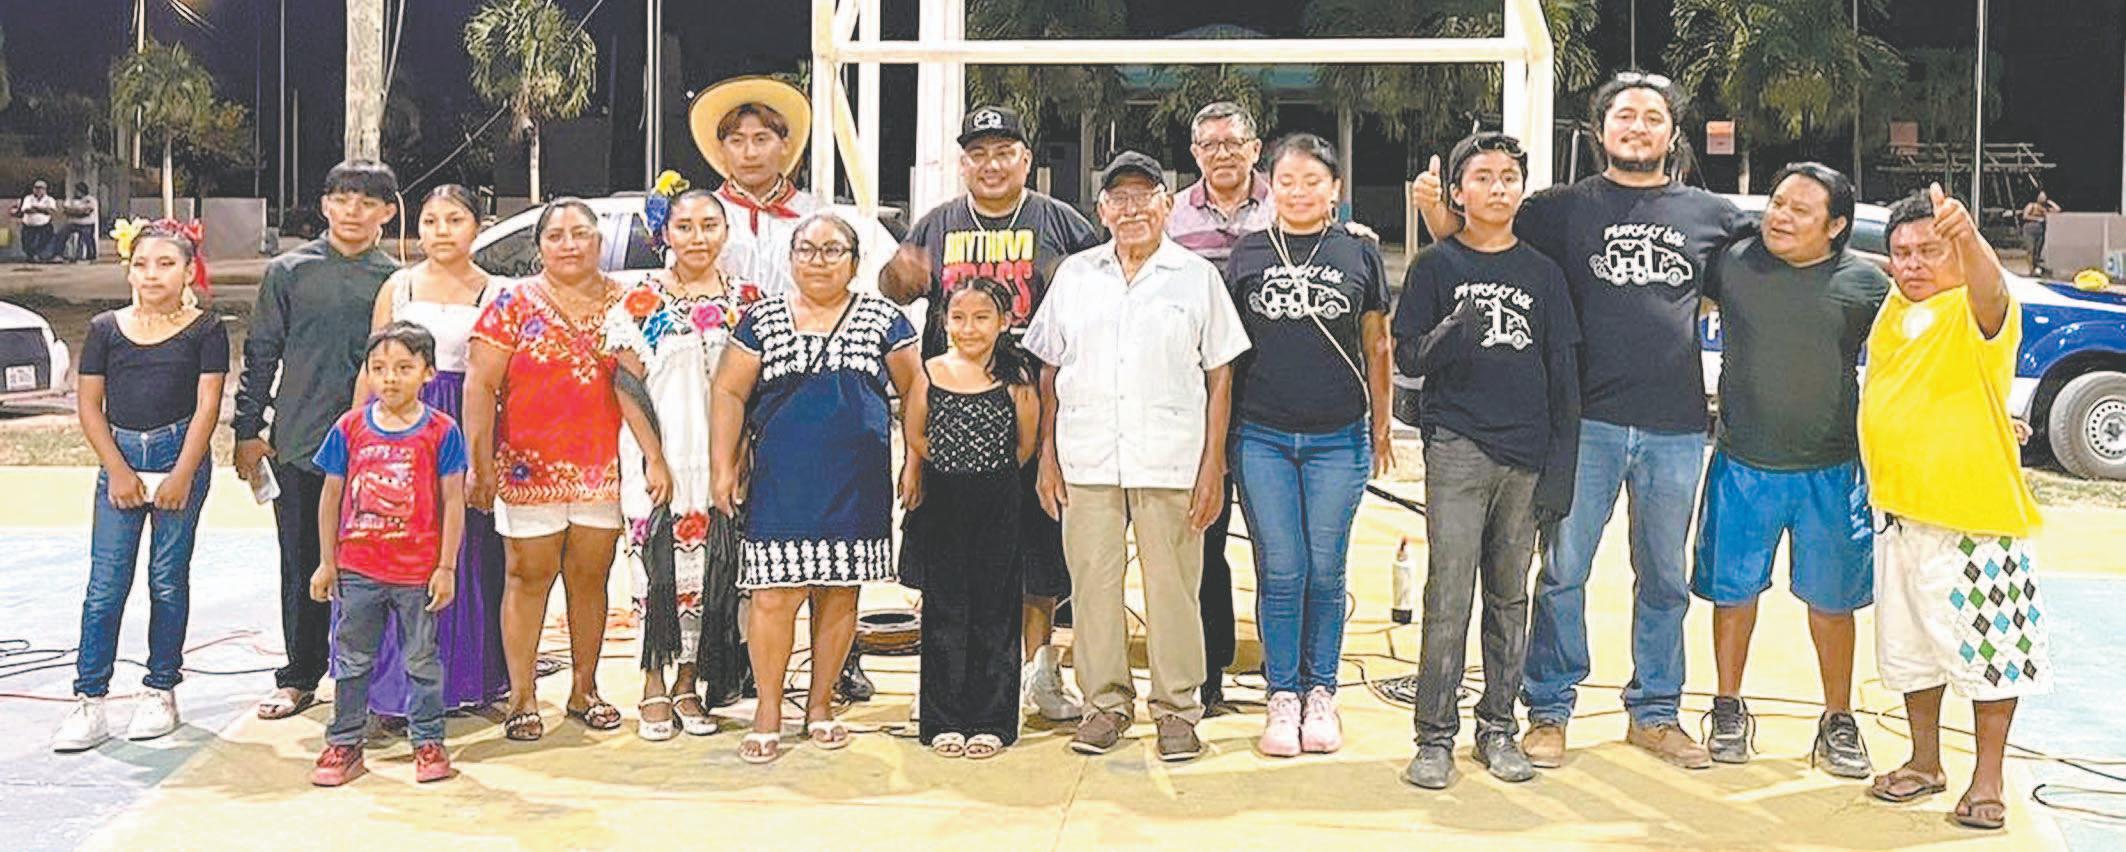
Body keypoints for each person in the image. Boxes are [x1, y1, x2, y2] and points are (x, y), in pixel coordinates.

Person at [1411, 71, 1750, 770]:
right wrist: (1435, 213)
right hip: (1586, 421)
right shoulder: (1557, 209)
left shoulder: (1711, 215)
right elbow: (1480, 244)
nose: (1637, 126)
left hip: (1675, 424)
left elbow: (1777, 262)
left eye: (1652, 116)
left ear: (1672, 134)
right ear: (1600, 130)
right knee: (1563, 572)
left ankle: (1655, 712)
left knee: (1663, 577)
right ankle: (1549, 709)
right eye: (1624, 115)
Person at [880, 105, 1103, 725]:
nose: (991, 164)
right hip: (952, 415)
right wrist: (900, 274)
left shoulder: (1061, 222)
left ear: (1026, 160)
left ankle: (1039, 669)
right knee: (947, 552)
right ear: (964, 164)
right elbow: (893, 288)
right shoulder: (939, 223)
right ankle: (947, 676)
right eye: (978, 154)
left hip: (1036, 409)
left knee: (1037, 550)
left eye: (1004, 152)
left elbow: (1104, 290)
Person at [1025, 151, 1249, 762]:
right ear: (1101, 210)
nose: (1131, 209)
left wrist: (1213, 464)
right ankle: (1104, 704)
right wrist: (1047, 457)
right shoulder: (1075, 275)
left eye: (1143, 196)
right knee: (1092, 587)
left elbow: (1220, 375)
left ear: (1166, 204)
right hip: (1088, 456)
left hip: (1171, 457)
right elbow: (1049, 370)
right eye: (1118, 199)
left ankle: (1177, 709)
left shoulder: (1196, 277)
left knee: (1174, 588)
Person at [1394, 132, 1581, 789]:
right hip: (1458, 447)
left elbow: (1563, 376)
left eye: (1508, 177)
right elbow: (1408, 356)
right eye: (1482, 177)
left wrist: (1561, 467)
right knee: (1448, 596)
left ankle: (1498, 726)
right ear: (1457, 193)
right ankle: (1433, 736)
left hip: (1526, 454)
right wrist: (1452, 331)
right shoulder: (1435, 266)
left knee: (1509, 596)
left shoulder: (1543, 273)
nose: (1497, 187)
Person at [1861, 186, 2048, 832]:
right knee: (1911, 651)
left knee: (1990, 655)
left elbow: (1992, 290)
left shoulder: (1976, 310)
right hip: (1899, 516)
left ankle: (1988, 780)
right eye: (1902, 252)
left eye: (1929, 250)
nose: (1913, 263)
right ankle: (1924, 761)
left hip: (1975, 525)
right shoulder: (1896, 306)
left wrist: (1968, 238)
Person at [1693, 163, 1889, 778]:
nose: (1780, 216)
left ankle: (1838, 719)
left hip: (1831, 470)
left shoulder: (1867, 285)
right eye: (1777, 203)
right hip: (1742, 463)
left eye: (1800, 210)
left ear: (1835, 226)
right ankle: (1727, 706)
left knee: (1833, 603)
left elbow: (1917, 353)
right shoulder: (1733, 265)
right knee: (1733, 594)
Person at [709, 211, 923, 764]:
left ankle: (821, 705)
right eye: (807, 250)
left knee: (839, 592)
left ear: (854, 262)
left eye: (832, 251)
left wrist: (915, 458)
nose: (819, 261)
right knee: (773, 596)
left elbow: (915, 388)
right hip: (781, 480)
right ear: (791, 259)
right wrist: (722, 465)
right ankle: (768, 711)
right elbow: (729, 391)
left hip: (856, 481)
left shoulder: (883, 319)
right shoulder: (762, 319)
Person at [465, 198, 673, 742]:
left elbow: (649, 380)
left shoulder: (631, 302)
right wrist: (478, 462)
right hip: (526, 467)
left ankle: (585, 688)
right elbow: (480, 385)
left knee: (590, 577)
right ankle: (522, 696)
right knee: (527, 577)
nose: (569, 245)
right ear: (539, 247)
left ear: (599, 241)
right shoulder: (510, 303)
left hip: (604, 467)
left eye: (580, 233)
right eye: (556, 235)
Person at [1221, 134, 1392, 757]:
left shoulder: (1360, 251)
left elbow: (1377, 342)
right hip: (1261, 434)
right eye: (1286, 181)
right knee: (1281, 567)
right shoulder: (1246, 253)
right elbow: (1226, 353)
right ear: (1271, 187)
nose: (1298, 192)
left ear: (1335, 189)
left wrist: (1381, 425)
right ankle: (1282, 694)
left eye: (1312, 181)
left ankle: (1322, 691)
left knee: (1326, 566)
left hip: (1338, 437)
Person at [235, 160, 402, 722]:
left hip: (379, 450)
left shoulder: (397, 281)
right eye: (342, 199)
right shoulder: (288, 272)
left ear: (388, 212)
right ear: (325, 205)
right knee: (303, 561)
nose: (353, 211)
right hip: (300, 443)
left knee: (378, 568)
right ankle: (300, 675)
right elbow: (261, 353)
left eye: (368, 202)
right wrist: (247, 430)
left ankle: (377, 685)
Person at [50, 221, 226, 752]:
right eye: (142, 264)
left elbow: (207, 406)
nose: (153, 274)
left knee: (167, 579)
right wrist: (118, 469)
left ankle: (160, 689)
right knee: (105, 585)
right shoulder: (105, 328)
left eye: (166, 264)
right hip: (121, 458)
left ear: (188, 271)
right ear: (128, 270)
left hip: (178, 456)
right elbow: (89, 405)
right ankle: (90, 698)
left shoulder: (205, 329)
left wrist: (183, 473)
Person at [344, 185, 509, 727]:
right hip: (398, 428)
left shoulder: (496, 292)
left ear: (477, 227)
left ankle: (469, 680)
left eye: (454, 220)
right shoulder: (399, 286)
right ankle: (388, 691)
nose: (442, 231)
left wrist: (483, 459)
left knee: (465, 553)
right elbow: (373, 366)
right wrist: (357, 438)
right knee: (394, 553)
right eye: (431, 220)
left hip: (463, 422)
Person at [602, 187, 761, 740]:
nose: (698, 238)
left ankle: (690, 684)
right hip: (661, 454)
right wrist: (654, 459)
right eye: (685, 227)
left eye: (709, 225)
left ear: (726, 232)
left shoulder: (748, 301)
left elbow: (756, 387)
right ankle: (652, 683)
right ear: (665, 234)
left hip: (721, 461)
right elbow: (626, 384)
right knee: (655, 573)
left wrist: (739, 458)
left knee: (715, 572)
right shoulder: (641, 301)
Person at [306, 322, 467, 787]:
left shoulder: (442, 431)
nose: (390, 378)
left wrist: (446, 566)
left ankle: (428, 740)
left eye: (403, 368)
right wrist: (327, 561)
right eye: (378, 368)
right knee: (352, 660)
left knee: (422, 661)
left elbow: (453, 500)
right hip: (357, 570)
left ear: (428, 373)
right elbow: (331, 497)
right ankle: (345, 741)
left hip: (417, 573)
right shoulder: (349, 428)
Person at [899, 278, 1041, 760]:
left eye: (982, 318)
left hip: (999, 501)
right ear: (944, 321)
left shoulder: (1016, 377)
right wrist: (941, 464)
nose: (969, 328)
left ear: (1004, 322)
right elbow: (915, 431)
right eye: (959, 318)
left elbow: (1025, 444)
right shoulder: (931, 371)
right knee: (945, 608)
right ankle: (943, 718)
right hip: (943, 500)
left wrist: (988, 473)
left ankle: (992, 719)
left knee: (996, 609)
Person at [692, 76, 821, 296]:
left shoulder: (815, 214)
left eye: (761, 139)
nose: (750, 153)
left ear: (785, 145)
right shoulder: (700, 215)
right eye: (737, 141)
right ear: (722, 150)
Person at [2019, 190, 2061, 276]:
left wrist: (2050, 202)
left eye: (2044, 196)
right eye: (2041, 196)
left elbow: (2058, 210)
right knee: (2031, 250)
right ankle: (2031, 269)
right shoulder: (2032, 205)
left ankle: (2036, 267)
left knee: (2038, 250)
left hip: (2040, 230)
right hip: (2030, 229)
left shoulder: (2045, 208)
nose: (2043, 198)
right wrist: (2037, 219)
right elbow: (2025, 216)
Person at [17, 180, 60, 262]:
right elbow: (27, 210)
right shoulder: (28, 198)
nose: (38, 190)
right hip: (29, 225)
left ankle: (40, 257)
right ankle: (31, 257)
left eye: (40, 188)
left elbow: (50, 211)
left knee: (43, 242)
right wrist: (43, 210)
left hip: (44, 225)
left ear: (45, 189)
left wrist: (36, 208)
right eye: (36, 188)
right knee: (27, 244)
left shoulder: (50, 199)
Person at [64, 183, 100, 263]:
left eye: (78, 191)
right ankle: (66, 255)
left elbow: (86, 212)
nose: (76, 192)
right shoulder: (70, 200)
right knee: (62, 234)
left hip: (87, 224)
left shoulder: (90, 200)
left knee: (88, 239)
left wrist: (75, 212)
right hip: (73, 223)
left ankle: (92, 256)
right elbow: (66, 210)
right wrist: (78, 211)